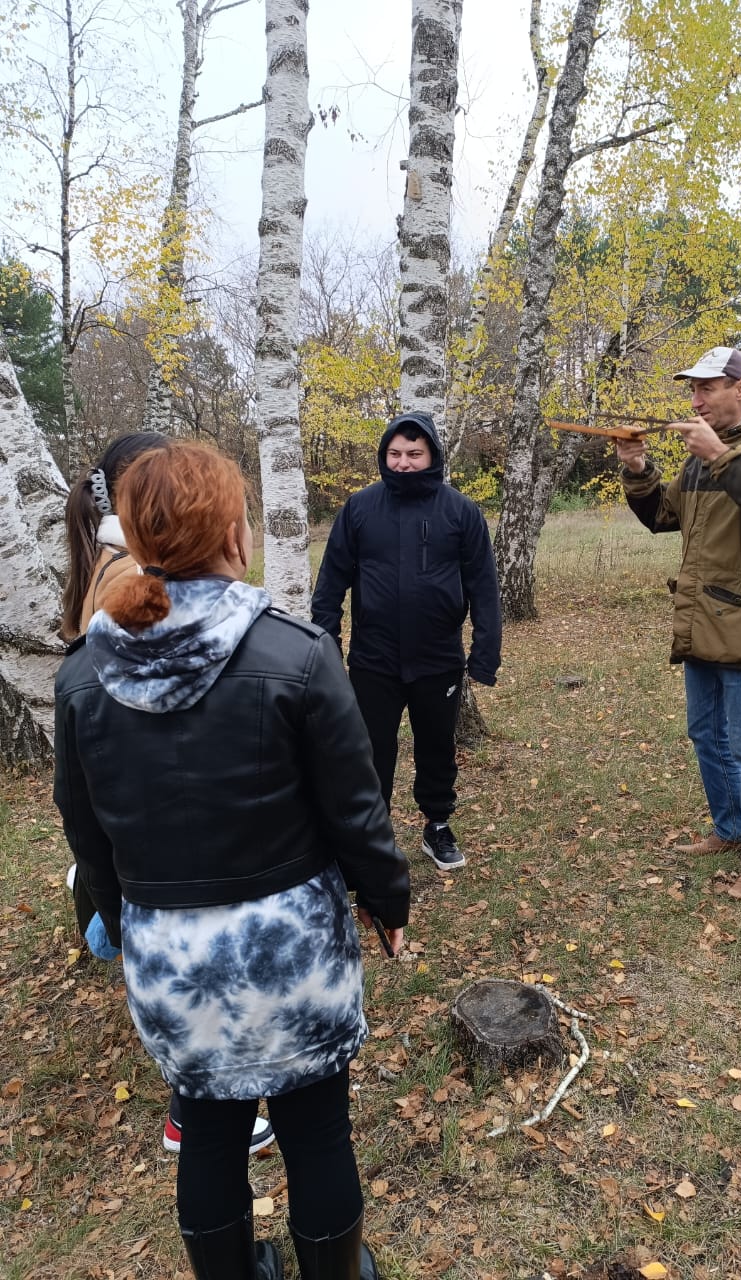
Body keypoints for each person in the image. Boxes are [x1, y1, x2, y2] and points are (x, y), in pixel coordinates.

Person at [54, 441, 410, 1280]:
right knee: (317, 1131)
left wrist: (120, 919)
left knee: (208, 1131)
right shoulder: (297, 652)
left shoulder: (81, 674)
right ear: (232, 532)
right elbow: (358, 814)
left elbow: (85, 833)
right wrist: (388, 905)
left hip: (173, 961)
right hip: (292, 952)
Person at [62, 433, 276, 1154]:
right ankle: (205, 1111)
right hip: (175, 847)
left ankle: (206, 1108)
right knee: (210, 982)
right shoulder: (129, 581)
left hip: (142, 852)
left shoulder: (109, 562)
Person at [616, 346, 741, 900]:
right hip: (699, 619)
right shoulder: (698, 457)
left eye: (707, 388)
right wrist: (638, 469)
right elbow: (662, 518)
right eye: (692, 391)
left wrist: (722, 454)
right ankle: (731, 829)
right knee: (706, 736)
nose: (695, 400)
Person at [311, 413, 502, 871]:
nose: (403, 463)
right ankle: (372, 836)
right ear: (384, 456)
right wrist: (326, 647)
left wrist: (485, 654)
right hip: (374, 660)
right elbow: (331, 582)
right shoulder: (359, 509)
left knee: (436, 746)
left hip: (438, 658)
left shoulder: (460, 511)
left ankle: (437, 826)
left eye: (414, 454)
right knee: (370, 751)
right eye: (395, 454)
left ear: (432, 455)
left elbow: (483, 586)